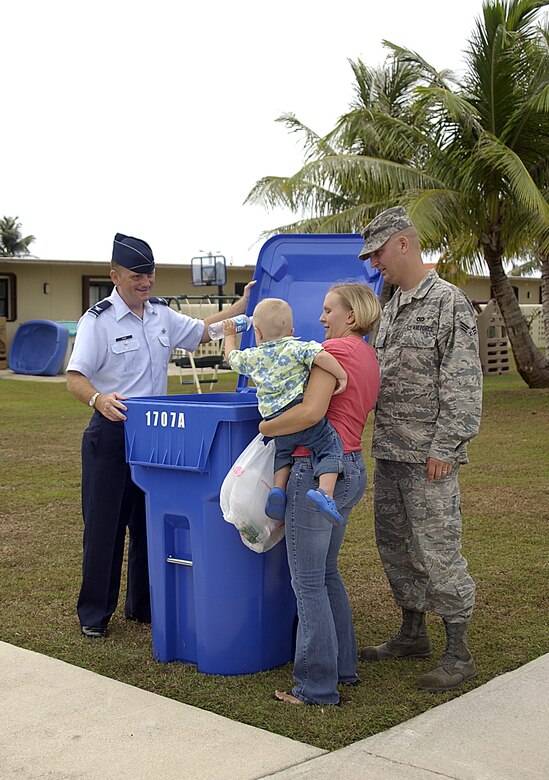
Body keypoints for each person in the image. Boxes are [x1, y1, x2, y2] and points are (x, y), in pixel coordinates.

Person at [66, 232, 253, 639]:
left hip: (153, 434)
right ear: (115, 276)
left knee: (148, 523)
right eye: (137, 275)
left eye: (149, 274)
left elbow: (204, 332)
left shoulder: (160, 314)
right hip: (113, 430)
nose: (146, 281)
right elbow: (75, 378)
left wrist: (244, 304)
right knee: (105, 526)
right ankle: (94, 614)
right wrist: (97, 399)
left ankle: (143, 606)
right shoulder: (97, 320)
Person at [357, 206, 483, 692]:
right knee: (395, 545)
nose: (375, 264)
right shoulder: (391, 304)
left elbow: (463, 381)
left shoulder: (447, 302)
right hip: (390, 449)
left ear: (403, 244)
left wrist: (446, 446)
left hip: (429, 456)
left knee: (438, 550)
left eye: (379, 253)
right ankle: (413, 633)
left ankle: (459, 652)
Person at [258, 283, 381, 705]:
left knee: (307, 582)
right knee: (326, 574)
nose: (322, 317)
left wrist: (267, 427)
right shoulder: (366, 354)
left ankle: (315, 687)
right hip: (349, 468)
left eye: (329, 310)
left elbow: (310, 412)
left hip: (315, 470)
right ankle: (342, 668)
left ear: (351, 315)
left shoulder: (338, 353)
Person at [224, 297, 348, 524]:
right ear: (291, 330)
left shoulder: (252, 356)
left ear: (258, 333)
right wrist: (341, 374)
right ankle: (325, 492)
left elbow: (231, 358)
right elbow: (321, 356)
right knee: (328, 445)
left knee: (282, 454)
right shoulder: (297, 347)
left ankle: (278, 489)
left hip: (273, 419)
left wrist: (230, 335)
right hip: (297, 412)